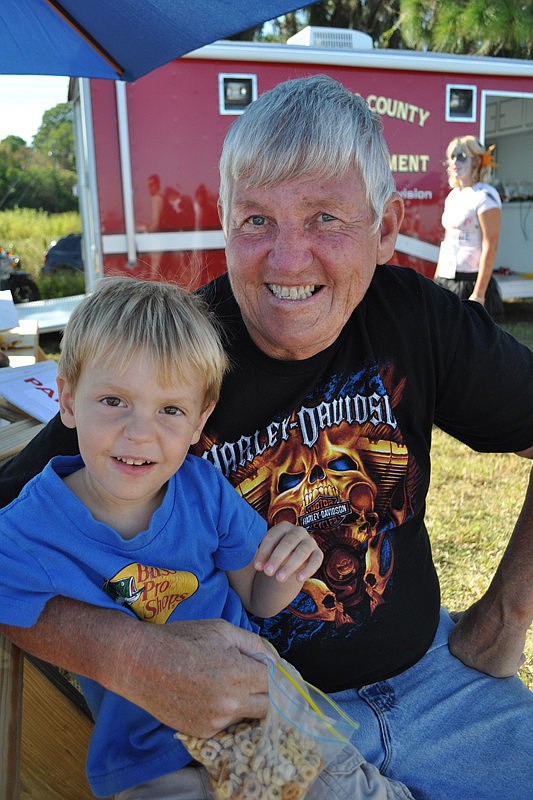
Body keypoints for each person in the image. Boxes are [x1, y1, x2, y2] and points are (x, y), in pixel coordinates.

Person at [0, 75, 532, 800]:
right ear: (224, 223)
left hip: (440, 686)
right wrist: (130, 657)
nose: (285, 261)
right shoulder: (168, 363)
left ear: (384, 230)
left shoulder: (419, 320)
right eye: (256, 221)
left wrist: (504, 616)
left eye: (323, 219)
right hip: (241, 729)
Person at [0, 276, 412, 800]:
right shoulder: (29, 529)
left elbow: (258, 599)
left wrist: (287, 564)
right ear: (67, 399)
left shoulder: (202, 489)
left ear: (200, 421)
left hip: (258, 716)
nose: (139, 432)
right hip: (146, 761)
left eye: (170, 410)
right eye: (113, 400)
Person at [434, 135, 504, 318]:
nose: (455, 162)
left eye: (462, 156)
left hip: (471, 281)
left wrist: (479, 294)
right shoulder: (453, 196)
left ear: (476, 161)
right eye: (452, 156)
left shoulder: (485, 196)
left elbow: (491, 244)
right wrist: (437, 279)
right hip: (447, 277)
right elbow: (448, 240)